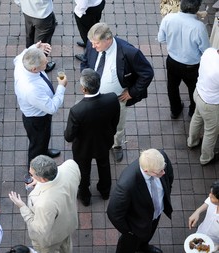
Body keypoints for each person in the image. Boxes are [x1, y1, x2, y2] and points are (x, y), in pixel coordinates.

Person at [81, 22, 154, 163]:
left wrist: (132, 92)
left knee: (118, 124)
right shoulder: (92, 45)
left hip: (117, 99)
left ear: (107, 39)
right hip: (94, 96)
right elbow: (85, 62)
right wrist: (86, 78)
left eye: (96, 43)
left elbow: (147, 73)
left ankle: (116, 145)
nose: (92, 46)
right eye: (91, 43)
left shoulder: (129, 52)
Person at [64, 68, 119, 206]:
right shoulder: (112, 98)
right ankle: (105, 191)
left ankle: (85, 196)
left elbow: (69, 136)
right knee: (104, 166)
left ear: (83, 89)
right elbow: (115, 121)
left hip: (83, 148)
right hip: (103, 142)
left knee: (83, 172)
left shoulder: (77, 111)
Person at [8, 155, 80, 253]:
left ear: (43, 178)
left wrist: (22, 207)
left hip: (51, 238)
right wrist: (40, 183)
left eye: (32, 174)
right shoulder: (70, 166)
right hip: (69, 224)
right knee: (66, 249)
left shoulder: (44, 203)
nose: (31, 176)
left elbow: (40, 229)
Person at [107, 148, 174, 253]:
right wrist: (129, 231)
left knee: (148, 233)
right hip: (135, 226)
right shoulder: (126, 185)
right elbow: (113, 213)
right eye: (160, 172)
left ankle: (143, 246)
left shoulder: (160, 158)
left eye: (163, 168)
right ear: (147, 171)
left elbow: (169, 177)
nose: (164, 172)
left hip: (154, 215)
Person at [14, 42, 67, 169]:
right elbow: (52, 107)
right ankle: (33, 169)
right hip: (37, 119)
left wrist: (36, 47)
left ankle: (44, 151)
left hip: (39, 113)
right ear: (34, 69)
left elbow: (19, 56)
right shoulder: (31, 89)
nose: (47, 61)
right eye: (44, 63)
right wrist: (61, 87)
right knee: (36, 144)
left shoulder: (22, 63)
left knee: (43, 140)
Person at [157, 0, 210, 119]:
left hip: (172, 61)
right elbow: (206, 50)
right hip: (192, 66)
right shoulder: (199, 27)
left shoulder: (168, 18)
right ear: (196, 9)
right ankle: (192, 111)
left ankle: (175, 110)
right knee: (193, 89)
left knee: (172, 87)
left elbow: (161, 39)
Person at [187, 48, 219, 166]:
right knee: (211, 131)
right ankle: (206, 158)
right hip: (210, 104)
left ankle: (192, 141)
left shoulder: (209, 52)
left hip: (198, 93)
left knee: (197, 117)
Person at [14, 0, 57, 72]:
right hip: (42, 14)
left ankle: (28, 58)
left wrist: (20, 3)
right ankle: (41, 65)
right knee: (42, 43)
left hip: (27, 11)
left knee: (30, 36)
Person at [188, 181, 219, 253]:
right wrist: (197, 211)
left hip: (213, 248)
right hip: (200, 234)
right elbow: (209, 201)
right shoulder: (213, 200)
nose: (209, 195)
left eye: (212, 196)